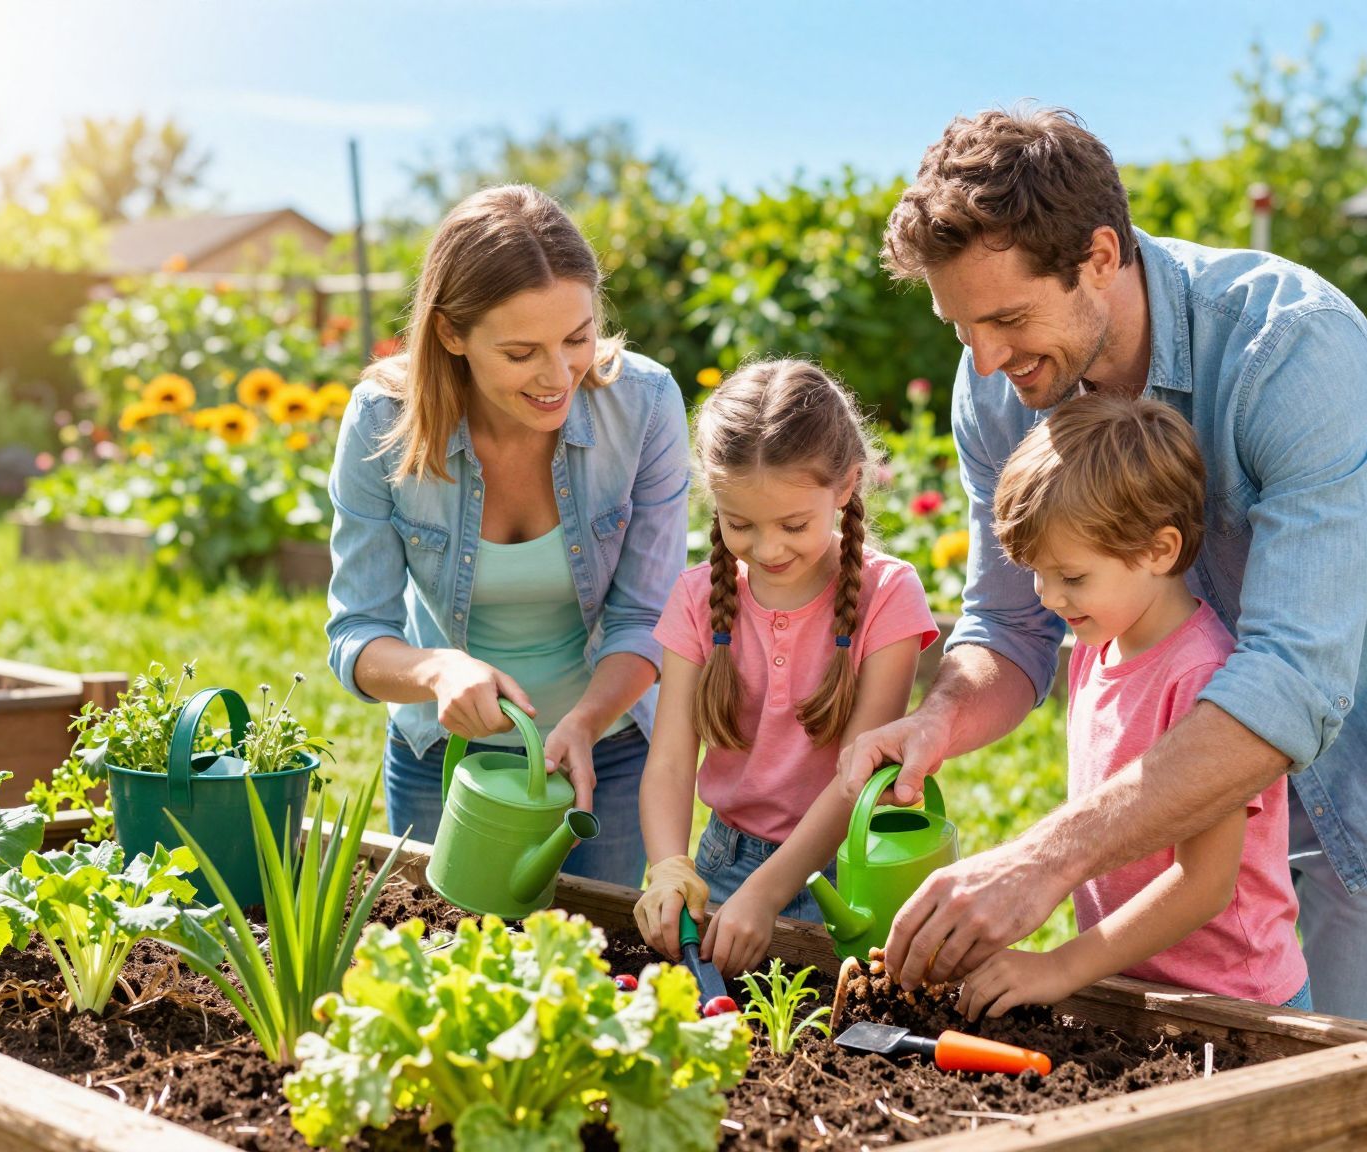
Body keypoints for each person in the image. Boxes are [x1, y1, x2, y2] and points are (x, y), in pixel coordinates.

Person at [841, 106, 1367, 1028]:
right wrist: (938, 720)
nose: (984, 359)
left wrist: (1046, 859)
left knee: (1363, 1089)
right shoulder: (996, 382)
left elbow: (1293, 682)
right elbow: (1008, 630)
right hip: (1163, 813)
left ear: (1101, 256)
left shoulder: (1290, 346)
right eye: (960, 327)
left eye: (1009, 318)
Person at [325, 184, 690, 887]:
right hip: (445, 759)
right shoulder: (381, 421)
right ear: (451, 334)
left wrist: (583, 721)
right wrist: (438, 672)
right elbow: (355, 636)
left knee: (594, 975)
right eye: (522, 352)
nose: (559, 376)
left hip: (605, 754)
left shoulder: (643, 404)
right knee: (441, 973)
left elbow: (648, 615)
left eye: (577, 339)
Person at [956, 393, 1307, 1020]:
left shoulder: (1202, 675)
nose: (1048, 596)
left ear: (1161, 551)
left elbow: (1204, 885)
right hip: (1133, 984)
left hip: (1234, 1005)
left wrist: (1062, 964)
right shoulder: (1099, 641)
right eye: (1035, 572)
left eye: (1072, 576)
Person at [633, 360, 936, 976]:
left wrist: (769, 893)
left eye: (794, 525)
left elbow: (856, 776)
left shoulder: (888, 596)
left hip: (848, 869)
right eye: (739, 524)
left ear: (847, 486)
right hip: (724, 864)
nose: (768, 549)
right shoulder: (698, 598)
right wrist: (669, 864)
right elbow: (668, 760)